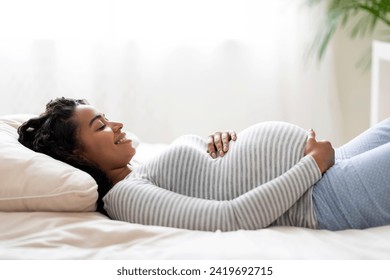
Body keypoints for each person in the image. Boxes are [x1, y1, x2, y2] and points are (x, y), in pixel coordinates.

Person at [17, 97, 390, 231]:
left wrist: (216, 145)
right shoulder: (125, 198)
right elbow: (229, 218)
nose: (116, 125)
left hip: (327, 170)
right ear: (78, 156)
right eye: (101, 126)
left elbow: (212, 180)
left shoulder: (139, 168)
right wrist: (311, 165)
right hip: (325, 197)